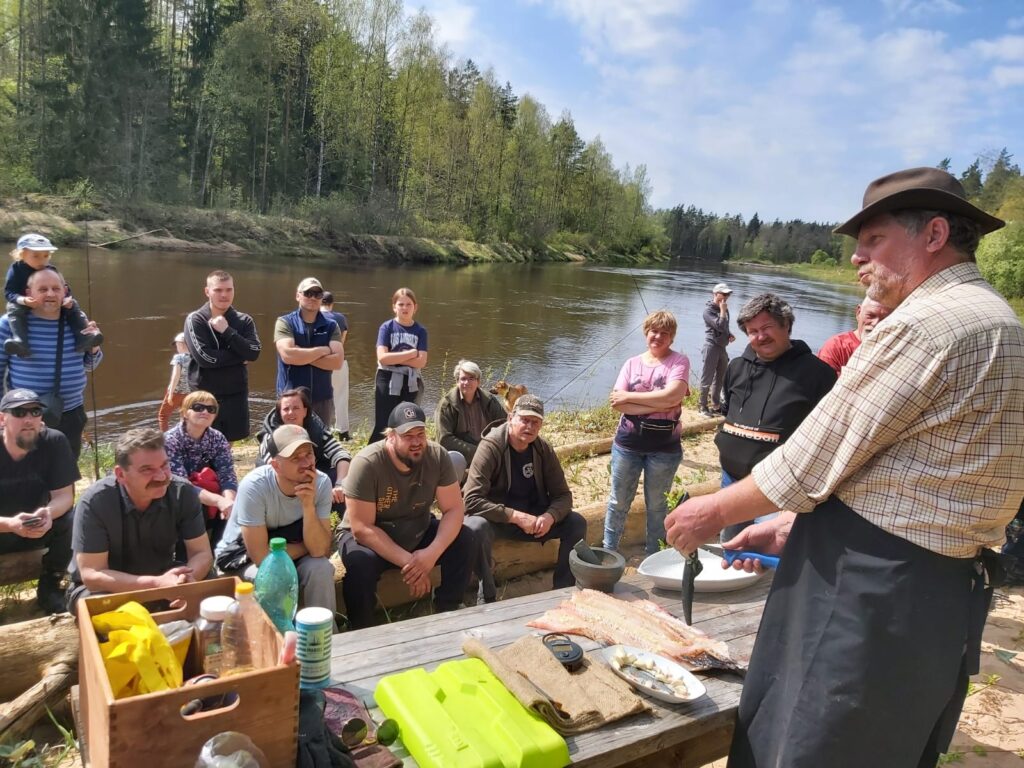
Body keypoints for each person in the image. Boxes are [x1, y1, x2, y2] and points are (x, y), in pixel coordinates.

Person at [665, 167, 1024, 767]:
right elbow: (919, 473)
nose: (856, 257)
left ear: (934, 233)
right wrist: (788, 526)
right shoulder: (995, 317)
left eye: (874, 239)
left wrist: (713, 509)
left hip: (869, 593)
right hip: (936, 591)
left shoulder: (929, 324)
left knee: (813, 741)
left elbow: (813, 457)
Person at [338, 402, 475, 629]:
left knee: (466, 538)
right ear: (390, 436)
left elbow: (453, 509)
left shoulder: (437, 456)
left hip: (416, 528)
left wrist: (431, 554)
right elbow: (362, 528)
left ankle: (448, 609)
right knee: (359, 562)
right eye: (407, 435)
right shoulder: (367, 463)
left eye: (420, 434)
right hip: (372, 538)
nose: (416, 442)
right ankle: (361, 627)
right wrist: (412, 564)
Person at [714, 292, 836, 541]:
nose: (760, 336)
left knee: (764, 559)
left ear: (787, 325)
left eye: (767, 327)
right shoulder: (736, 367)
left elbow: (828, 436)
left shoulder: (818, 374)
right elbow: (729, 410)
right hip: (731, 481)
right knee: (730, 551)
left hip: (779, 490)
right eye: (752, 331)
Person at [67, 428, 213, 612]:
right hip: (111, 589)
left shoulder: (183, 492)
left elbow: (202, 554)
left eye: (164, 466)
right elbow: (92, 575)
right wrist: (155, 584)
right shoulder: (95, 501)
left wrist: (185, 582)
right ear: (120, 474)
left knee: (213, 592)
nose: (161, 476)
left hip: (165, 576)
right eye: (147, 470)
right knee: (93, 606)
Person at [463, 395, 586, 603]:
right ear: (511, 417)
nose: (529, 426)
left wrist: (549, 517)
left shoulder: (542, 449)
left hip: (536, 520)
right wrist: (516, 517)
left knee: (576, 523)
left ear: (541, 425)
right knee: (475, 527)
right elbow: (472, 499)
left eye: (535, 422)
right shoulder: (490, 447)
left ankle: (562, 589)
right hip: (499, 520)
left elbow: (563, 496)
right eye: (524, 420)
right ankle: (487, 596)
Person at [214, 424, 337, 621]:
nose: (306, 463)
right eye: (296, 458)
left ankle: (326, 637)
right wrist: (308, 546)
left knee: (320, 568)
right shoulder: (255, 486)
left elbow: (320, 551)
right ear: (276, 465)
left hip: (285, 549)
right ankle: (280, 641)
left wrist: (308, 505)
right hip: (241, 558)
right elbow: (261, 557)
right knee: (276, 578)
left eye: (309, 454)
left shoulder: (321, 483)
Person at [602, 311, 690, 555]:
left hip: (664, 449)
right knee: (618, 502)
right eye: (654, 331)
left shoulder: (679, 362)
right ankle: (608, 552)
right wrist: (661, 403)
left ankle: (655, 553)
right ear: (646, 333)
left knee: (657, 505)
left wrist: (631, 398)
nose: (658, 336)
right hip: (627, 445)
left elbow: (674, 395)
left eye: (664, 332)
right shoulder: (632, 363)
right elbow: (617, 403)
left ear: (671, 337)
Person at [0, 268, 103, 461]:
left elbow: (90, 366)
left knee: (65, 470)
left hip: (71, 413)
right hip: (25, 415)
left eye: (56, 288)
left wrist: (94, 349)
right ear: (29, 293)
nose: (50, 294)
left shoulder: (76, 322)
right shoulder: (11, 324)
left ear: (65, 291)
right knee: (26, 473)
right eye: (43, 289)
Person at [0, 389, 79, 614]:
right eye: (19, 412)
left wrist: (47, 513)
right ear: (2, 419)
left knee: (75, 517)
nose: (28, 419)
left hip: (38, 528)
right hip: (2, 529)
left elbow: (65, 497)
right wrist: (10, 524)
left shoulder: (54, 441)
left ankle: (50, 585)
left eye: (35, 411)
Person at [184, 270, 261, 441]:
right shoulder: (195, 320)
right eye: (218, 290)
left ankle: (223, 468)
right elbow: (205, 359)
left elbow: (254, 353)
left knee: (228, 444)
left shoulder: (244, 320)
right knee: (200, 442)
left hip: (236, 393)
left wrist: (227, 331)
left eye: (229, 290)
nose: (224, 295)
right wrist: (240, 355)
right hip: (205, 395)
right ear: (207, 291)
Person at [5, 233, 102, 358]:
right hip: (23, 303)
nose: (42, 260)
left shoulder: (51, 269)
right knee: (13, 308)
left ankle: (83, 338)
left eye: (46, 256)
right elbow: (9, 292)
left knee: (73, 306)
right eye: (36, 256)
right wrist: (22, 300)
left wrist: (67, 299)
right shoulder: (16, 270)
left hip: (54, 308)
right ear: (22, 255)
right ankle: (20, 342)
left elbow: (65, 288)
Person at [163, 391, 238, 546]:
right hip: (177, 494)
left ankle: (221, 549)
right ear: (184, 412)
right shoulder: (170, 440)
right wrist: (218, 501)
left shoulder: (217, 438)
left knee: (235, 505)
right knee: (193, 506)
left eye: (211, 409)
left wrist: (228, 502)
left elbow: (227, 474)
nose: (205, 412)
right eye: (198, 407)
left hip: (211, 491)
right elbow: (180, 485)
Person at [256, 388, 351, 509]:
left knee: (346, 487)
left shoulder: (317, 430)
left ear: (305, 411)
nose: (291, 413)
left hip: (313, 474)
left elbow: (341, 454)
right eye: (286, 409)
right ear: (279, 413)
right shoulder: (270, 438)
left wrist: (340, 484)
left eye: (296, 408)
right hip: (284, 484)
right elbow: (273, 470)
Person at [275, 277, 344, 426]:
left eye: (317, 294)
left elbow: (337, 362)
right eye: (308, 293)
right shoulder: (285, 322)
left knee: (320, 445)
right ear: (298, 295)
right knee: (290, 444)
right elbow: (288, 355)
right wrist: (323, 350)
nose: (312, 297)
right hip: (291, 400)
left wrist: (302, 355)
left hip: (322, 399)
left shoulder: (331, 326)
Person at [370, 288, 427, 443]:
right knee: (383, 423)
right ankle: (373, 456)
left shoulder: (420, 331)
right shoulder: (387, 327)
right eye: (400, 304)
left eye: (409, 304)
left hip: (411, 380)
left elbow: (421, 361)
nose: (404, 308)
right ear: (394, 306)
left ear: (415, 307)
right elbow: (382, 358)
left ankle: (401, 452)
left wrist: (394, 357)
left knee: (407, 421)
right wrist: (411, 354)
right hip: (386, 378)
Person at [434, 359, 507, 467]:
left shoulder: (489, 401)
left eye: (472, 378)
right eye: (463, 379)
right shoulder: (447, 405)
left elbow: (504, 425)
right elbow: (445, 440)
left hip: (487, 453)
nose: (467, 383)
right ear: (457, 381)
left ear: (478, 381)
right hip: (461, 457)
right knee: (452, 458)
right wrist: (479, 452)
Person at [817, 296, 892, 376]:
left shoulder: (894, 349)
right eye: (871, 315)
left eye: (885, 319)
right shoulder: (837, 347)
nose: (876, 323)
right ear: (858, 312)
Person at [698, 282, 734, 417]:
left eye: (728, 294)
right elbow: (718, 325)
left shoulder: (724, 309)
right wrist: (723, 311)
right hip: (711, 346)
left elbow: (724, 326)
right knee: (707, 377)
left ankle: (716, 405)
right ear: (715, 294)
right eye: (723, 294)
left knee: (720, 377)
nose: (726, 297)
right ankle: (702, 406)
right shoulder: (708, 310)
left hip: (722, 347)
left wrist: (729, 334)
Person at [320, 291, 350, 439]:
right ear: (332, 304)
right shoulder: (340, 318)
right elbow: (342, 342)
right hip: (338, 360)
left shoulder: (313, 317)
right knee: (341, 395)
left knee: (318, 397)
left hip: (317, 361)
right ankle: (343, 432)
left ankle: (320, 429)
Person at [157, 332, 192, 432]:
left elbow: (175, 375)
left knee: (163, 415)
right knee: (184, 415)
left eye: (176, 345)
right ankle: (184, 437)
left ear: (180, 344)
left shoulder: (178, 357)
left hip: (176, 391)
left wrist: (171, 393)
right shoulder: (195, 357)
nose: (176, 347)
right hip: (189, 392)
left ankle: (165, 440)